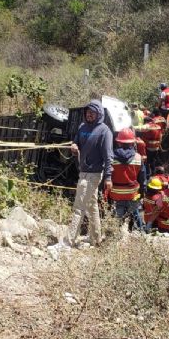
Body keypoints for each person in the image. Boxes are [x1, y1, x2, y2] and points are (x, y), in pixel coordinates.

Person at [68, 100, 113, 247]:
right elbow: (76, 142)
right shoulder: (82, 127)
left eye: (92, 112)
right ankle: (96, 238)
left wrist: (108, 177)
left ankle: (69, 240)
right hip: (83, 172)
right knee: (91, 206)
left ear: (99, 113)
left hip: (94, 174)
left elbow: (108, 157)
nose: (89, 114)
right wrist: (74, 146)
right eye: (87, 112)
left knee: (79, 206)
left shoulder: (104, 131)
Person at [108, 128, 146, 233]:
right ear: (132, 143)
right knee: (135, 213)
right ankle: (140, 233)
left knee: (117, 218)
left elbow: (107, 177)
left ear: (118, 142)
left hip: (116, 194)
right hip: (132, 194)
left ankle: (115, 234)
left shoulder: (111, 158)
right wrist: (142, 193)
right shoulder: (138, 158)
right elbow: (142, 179)